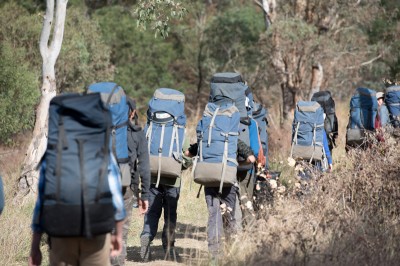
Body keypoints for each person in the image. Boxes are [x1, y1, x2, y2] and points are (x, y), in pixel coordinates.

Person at [29, 154, 126, 266]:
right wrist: (118, 234)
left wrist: (35, 245)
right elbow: (116, 196)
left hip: (62, 232)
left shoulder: (54, 150)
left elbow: (42, 200)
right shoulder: (102, 147)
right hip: (96, 232)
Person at [185, 139, 256, 262]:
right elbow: (251, 159)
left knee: (214, 215)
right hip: (229, 182)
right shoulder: (235, 139)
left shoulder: (207, 138)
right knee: (230, 217)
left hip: (210, 181)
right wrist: (238, 165)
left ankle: (214, 254)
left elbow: (187, 153)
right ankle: (231, 250)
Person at [111, 98, 150, 266]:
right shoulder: (137, 133)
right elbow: (144, 166)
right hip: (126, 187)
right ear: (132, 112)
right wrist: (144, 195)